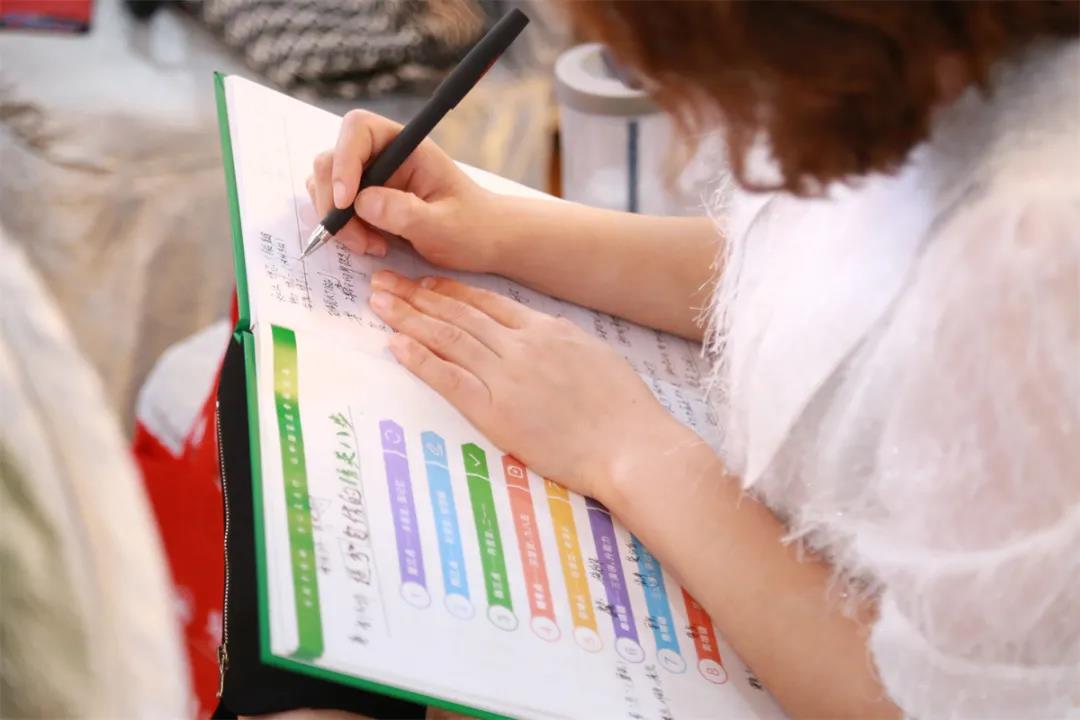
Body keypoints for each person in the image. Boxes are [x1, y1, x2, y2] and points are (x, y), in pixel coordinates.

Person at [305, 2, 1079, 718]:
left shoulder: (1037, 255)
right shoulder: (898, 72)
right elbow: (803, 264)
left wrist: (626, 450)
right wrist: (501, 231)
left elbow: (936, 703)